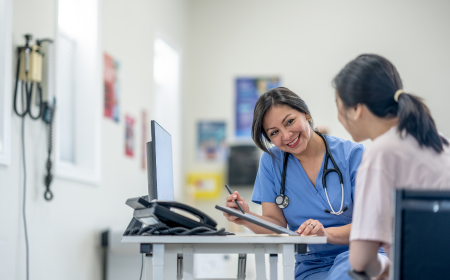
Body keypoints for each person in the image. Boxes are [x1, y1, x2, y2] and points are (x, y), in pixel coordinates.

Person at [222, 87, 385, 279]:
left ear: (306, 114)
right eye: (274, 132)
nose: (286, 136)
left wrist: (325, 234)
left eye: (290, 122)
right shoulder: (271, 161)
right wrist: (246, 216)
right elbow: (276, 223)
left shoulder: (353, 155)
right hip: (311, 264)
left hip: (359, 254)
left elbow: (370, 224)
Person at [333, 54, 450, 278]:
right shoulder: (441, 142)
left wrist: (385, 267)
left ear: (357, 109)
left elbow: (362, 260)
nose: (339, 115)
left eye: (338, 105)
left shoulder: (380, 154)